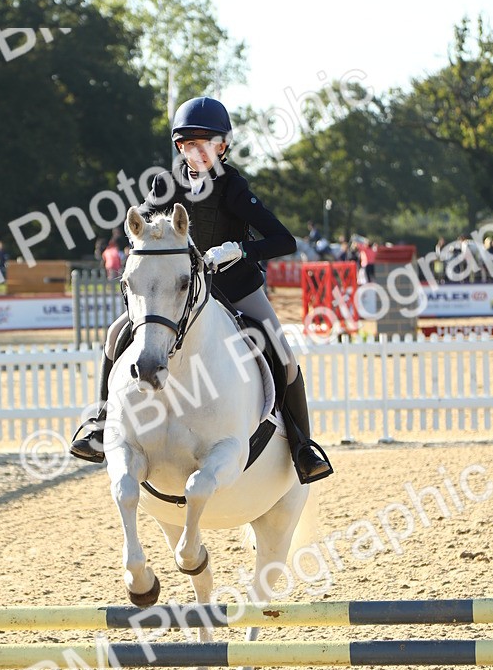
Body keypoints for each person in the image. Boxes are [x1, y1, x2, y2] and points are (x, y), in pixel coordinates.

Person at [70, 96, 332, 484]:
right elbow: (141, 220)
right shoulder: (166, 183)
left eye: (208, 143)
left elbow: (283, 240)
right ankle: (101, 421)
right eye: (190, 144)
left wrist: (242, 250)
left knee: (284, 355)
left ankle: (301, 447)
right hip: (181, 291)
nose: (199, 152)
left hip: (234, 285)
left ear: (223, 146)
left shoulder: (234, 188)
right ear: (180, 147)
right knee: (114, 336)